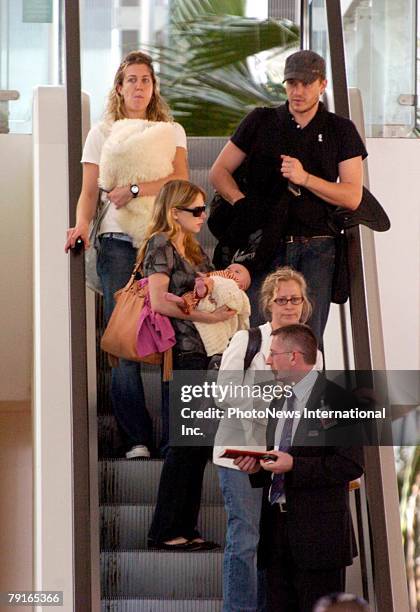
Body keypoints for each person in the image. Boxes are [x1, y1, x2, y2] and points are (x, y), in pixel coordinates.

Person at [64, 51, 188, 458]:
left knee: (173, 336)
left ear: (154, 88)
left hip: (160, 241)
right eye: (131, 80)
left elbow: (180, 180)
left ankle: (174, 438)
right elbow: (87, 192)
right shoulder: (102, 132)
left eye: (145, 80)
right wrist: (81, 225)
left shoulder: (171, 131)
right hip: (116, 242)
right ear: (119, 87)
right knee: (122, 338)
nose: (138, 87)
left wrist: (135, 189)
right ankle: (137, 437)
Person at [210, 49, 367, 341]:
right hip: (265, 244)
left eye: (307, 83)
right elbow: (219, 172)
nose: (298, 91)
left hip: (318, 246)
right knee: (259, 334)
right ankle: (261, 388)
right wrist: (240, 203)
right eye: (292, 83)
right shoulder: (260, 120)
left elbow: (352, 196)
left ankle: (305, 389)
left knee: (309, 339)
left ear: (322, 85)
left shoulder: (341, 130)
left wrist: (305, 178)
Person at [213, 267, 322, 612]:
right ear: (269, 303)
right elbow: (223, 392)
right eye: (282, 299)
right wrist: (269, 396)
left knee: (272, 542)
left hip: (281, 456)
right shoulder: (249, 340)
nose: (289, 305)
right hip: (240, 453)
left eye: (296, 299)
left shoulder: (312, 350)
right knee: (245, 538)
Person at [236, 324, 364, 612]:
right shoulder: (279, 401)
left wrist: (294, 465)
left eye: (273, 353)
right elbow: (278, 460)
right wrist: (257, 469)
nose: (268, 360)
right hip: (277, 534)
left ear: (294, 356)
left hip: (319, 537)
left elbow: (350, 464)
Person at [138, 179, 236, 550]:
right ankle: (165, 531)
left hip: (205, 354)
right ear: (173, 212)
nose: (202, 216)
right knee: (185, 444)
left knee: (196, 444)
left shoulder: (192, 248)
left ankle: (184, 528)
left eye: (203, 209)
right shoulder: (161, 244)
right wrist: (208, 318)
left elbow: (205, 289)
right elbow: (159, 300)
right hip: (184, 351)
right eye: (195, 210)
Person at [165, 263, 251, 357]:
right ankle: (183, 300)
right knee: (199, 290)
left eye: (237, 272)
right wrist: (204, 276)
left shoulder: (237, 289)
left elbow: (243, 313)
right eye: (228, 268)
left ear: (242, 286)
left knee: (203, 292)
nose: (230, 271)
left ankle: (193, 295)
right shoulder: (218, 276)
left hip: (218, 304)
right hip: (206, 298)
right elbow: (209, 276)